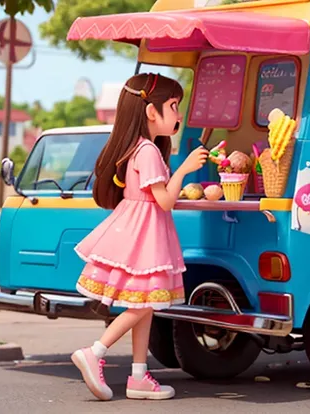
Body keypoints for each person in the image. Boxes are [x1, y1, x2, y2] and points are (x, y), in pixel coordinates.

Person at [70, 73, 209, 401]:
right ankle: (95, 351)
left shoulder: (139, 147)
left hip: (136, 229)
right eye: (173, 106)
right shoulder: (147, 151)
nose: (178, 114)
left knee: (145, 303)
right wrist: (185, 169)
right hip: (145, 234)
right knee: (143, 303)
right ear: (151, 111)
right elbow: (164, 201)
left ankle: (138, 376)